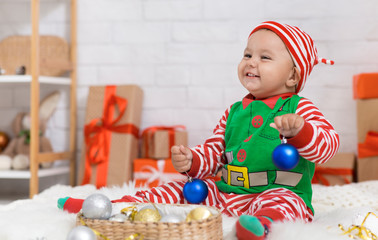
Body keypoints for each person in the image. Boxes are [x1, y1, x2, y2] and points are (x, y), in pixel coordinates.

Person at [59, 21, 340, 240]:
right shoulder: (235, 111)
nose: (251, 62)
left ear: (293, 75)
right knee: (173, 189)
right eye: (247, 54)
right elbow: (215, 150)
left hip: (275, 191)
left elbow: (329, 146)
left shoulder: (298, 108)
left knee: (284, 203)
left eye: (265, 57)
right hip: (227, 192)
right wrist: (193, 161)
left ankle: (260, 226)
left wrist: (301, 132)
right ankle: (106, 206)